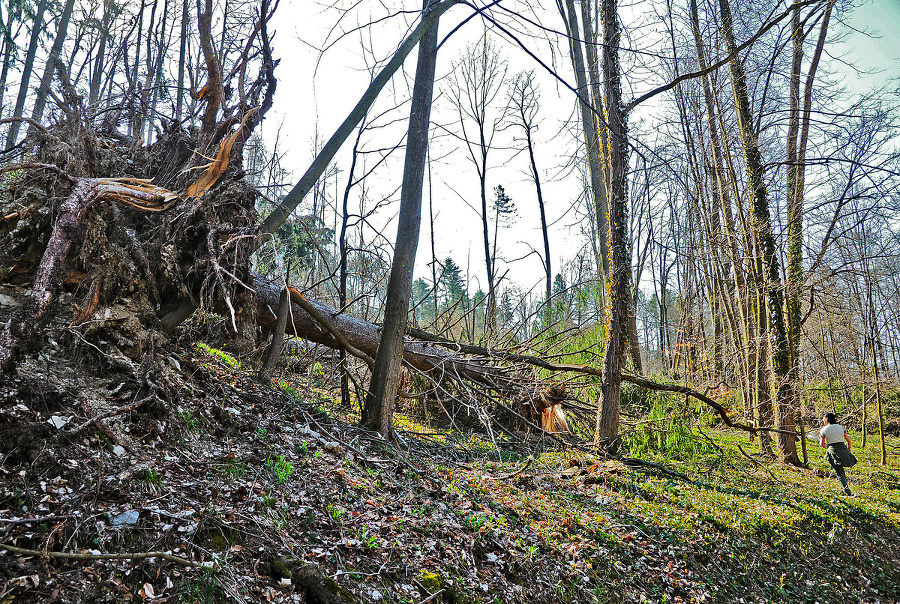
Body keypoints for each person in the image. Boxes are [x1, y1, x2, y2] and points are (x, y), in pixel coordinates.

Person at [819, 412, 856, 496]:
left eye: (823, 418)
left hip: (833, 450)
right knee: (841, 470)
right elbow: (848, 440)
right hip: (843, 449)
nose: (823, 420)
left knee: (839, 472)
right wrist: (848, 448)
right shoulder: (841, 428)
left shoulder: (824, 430)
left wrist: (828, 447)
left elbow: (821, 444)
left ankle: (847, 491)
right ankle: (845, 488)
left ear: (827, 419)